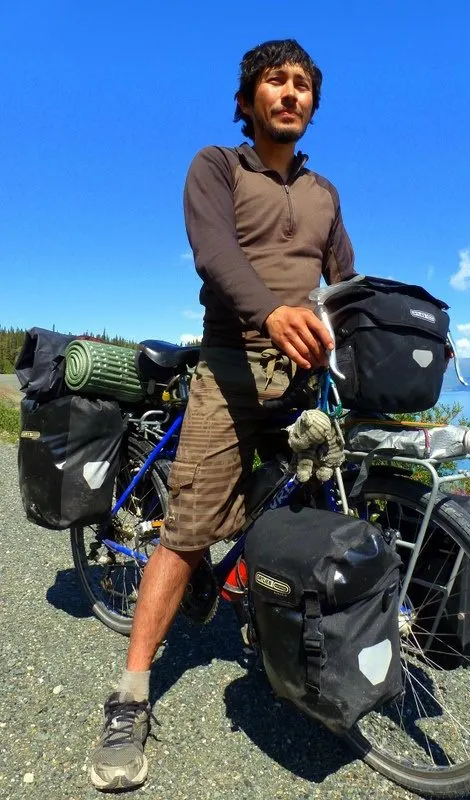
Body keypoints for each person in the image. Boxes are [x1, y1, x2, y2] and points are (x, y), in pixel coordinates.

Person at [89, 38, 356, 792]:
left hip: (303, 379)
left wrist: (364, 331)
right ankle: (131, 694)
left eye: (303, 84)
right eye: (276, 81)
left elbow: (345, 281)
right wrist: (272, 312)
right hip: (232, 370)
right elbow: (215, 255)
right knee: (186, 532)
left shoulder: (325, 193)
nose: (291, 93)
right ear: (248, 101)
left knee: (294, 506)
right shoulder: (216, 166)